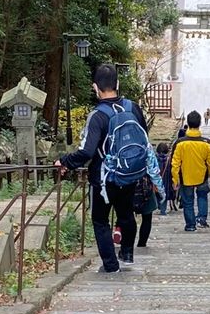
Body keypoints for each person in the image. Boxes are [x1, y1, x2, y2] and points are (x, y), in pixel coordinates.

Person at [57, 63, 155, 273]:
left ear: (95, 87)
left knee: (100, 220)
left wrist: (65, 161)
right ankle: (127, 253)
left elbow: (86, 152)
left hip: (103, 179)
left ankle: (111, 265)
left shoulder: (97, 115)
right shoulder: (133, 107)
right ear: (117, 84)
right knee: (126, 214)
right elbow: (144, 137)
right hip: (130, 172)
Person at [172, 109, 210, 231]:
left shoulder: (180, 143)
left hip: (185, 176)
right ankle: (201, 218)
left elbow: (175, 163)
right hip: (202, 175)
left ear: (188, 123)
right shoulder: (206, 143)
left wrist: (175, 179)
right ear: (200, 123)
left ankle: (190, 225)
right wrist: (209, 172)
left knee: (188, 201)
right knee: (202, 196)